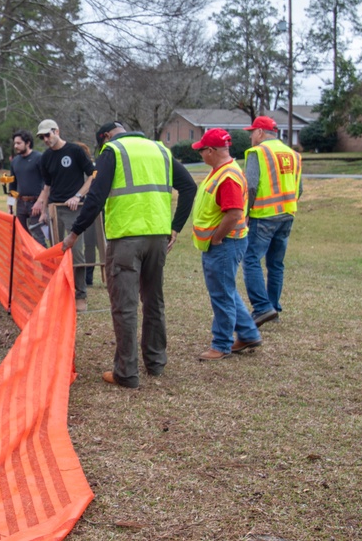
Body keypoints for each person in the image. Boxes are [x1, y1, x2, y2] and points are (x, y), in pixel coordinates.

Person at [62, 122, 197, 388]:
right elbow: (189, 187)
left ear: (105, 137)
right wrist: (176, 227)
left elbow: (96, 197)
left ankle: (126, 373)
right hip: (158, 239)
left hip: (125, 240)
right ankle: (156, 363)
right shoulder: (160, 149)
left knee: (125, 307)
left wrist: (75, 232)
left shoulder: (113, 150)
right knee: (154, 301)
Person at [191, 128, 262, 361]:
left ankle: (221, 344)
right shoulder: (222, 171)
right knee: (226, 291)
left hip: (225, 244)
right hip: (224, 243)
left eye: (202, 150)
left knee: (221, 295)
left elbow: (233, 214)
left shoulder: (227, 176)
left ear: (211, 150)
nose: (200, 154)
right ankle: (249, 333)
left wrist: (218, 237)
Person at [241, 116, 303, 327]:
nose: (251, 136)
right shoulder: (293, 155)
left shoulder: (258, 152)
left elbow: (250, 185)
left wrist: (245, 212)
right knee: (276, 264)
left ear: (260, 132)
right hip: (287, 214)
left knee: (250, 259)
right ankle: (273, 308)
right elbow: (299, 188)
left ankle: (262, 308)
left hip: (263, 215)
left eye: (252, 132)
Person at [33, 119, 95, 311]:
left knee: (76, 252)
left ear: (57, 131)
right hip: (54, 210)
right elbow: (47, 187)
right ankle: (62, 292)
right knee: (57, 253)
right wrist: (43, 211)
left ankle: (80, 295)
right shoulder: (45, 158)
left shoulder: (75, 151)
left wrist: (78, 196)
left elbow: (93, 175)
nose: (45, 139)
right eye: (42, 137)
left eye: (47, 135)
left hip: (74, 210)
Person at [10, 130, 48, 246]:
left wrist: (40, 202)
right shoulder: (15, 161)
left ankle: (46, 264)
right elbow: (12, 185)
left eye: (18, 143)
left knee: (38, 239)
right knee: (22, 239)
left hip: (36, 204)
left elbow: (46, 182)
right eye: (15, 143)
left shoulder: (39, 158)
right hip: (21, 204)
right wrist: (10, 207)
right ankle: (27, 264)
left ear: (27, 143)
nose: (15, 146)